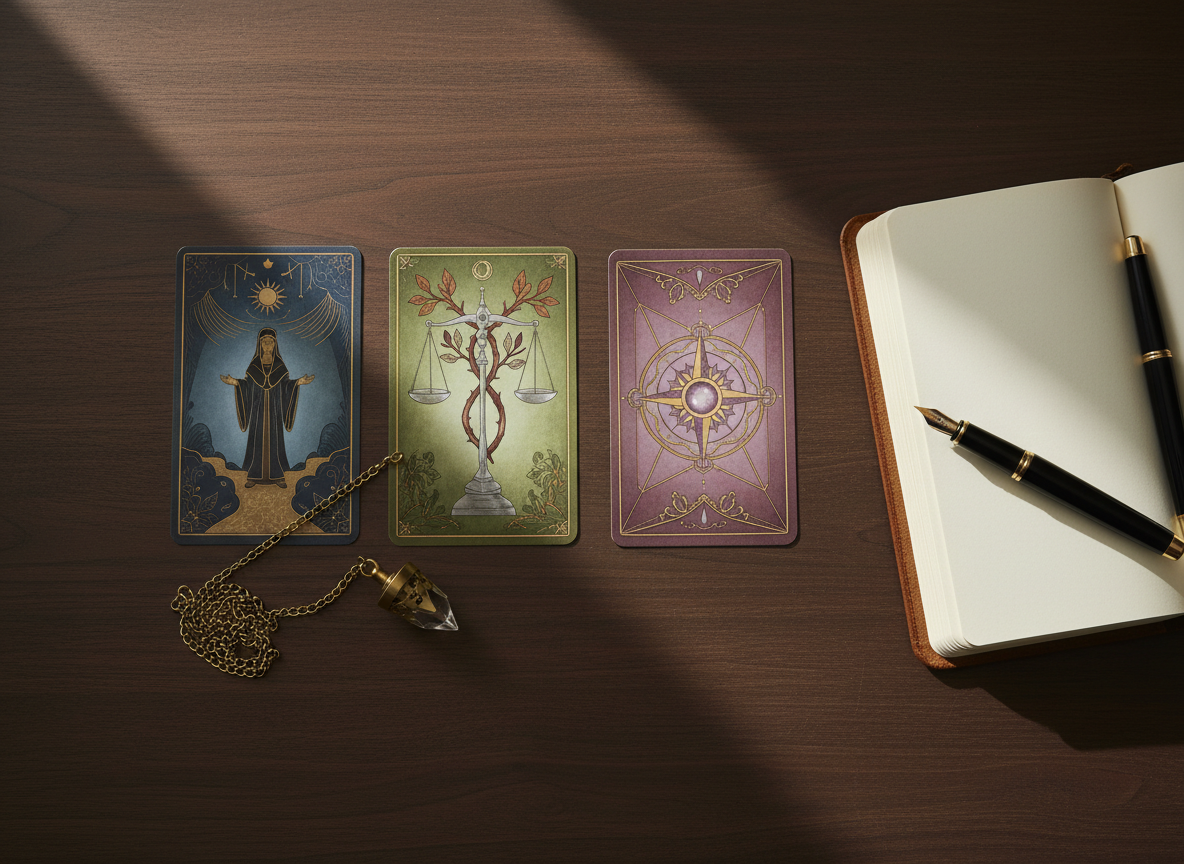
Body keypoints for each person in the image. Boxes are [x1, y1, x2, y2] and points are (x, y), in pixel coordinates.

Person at [221, 328, 313, 488]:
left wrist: (298, 382)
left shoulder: (281, 368)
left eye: (271, 341)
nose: (268, 344)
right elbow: (247, 385)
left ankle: (278, 476)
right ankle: (253, 476)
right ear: (260, 344)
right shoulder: (253, 367)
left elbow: (286, 386)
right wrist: (236, 383)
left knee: (276, 441)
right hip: (257, 412)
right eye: (265, 341)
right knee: (255, 440)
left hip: (275, 411)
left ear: (275, 344)